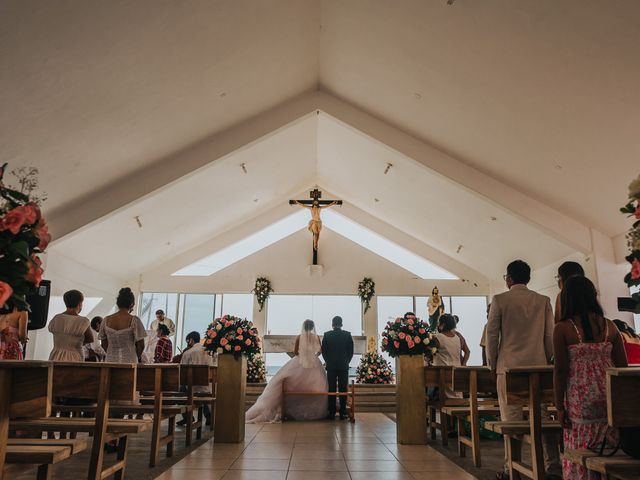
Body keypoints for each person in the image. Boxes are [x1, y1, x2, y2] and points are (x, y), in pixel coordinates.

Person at [487, 260, 561, 480]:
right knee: (544, 417)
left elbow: (492, 336)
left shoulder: (500, 300)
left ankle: (512, 468)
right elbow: (550, 335)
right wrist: (548, 361)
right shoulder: (543, 300)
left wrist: (493, 364)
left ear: (508, 278)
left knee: (511, 419)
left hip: (509, 367)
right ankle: (554, 466)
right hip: (538, 366)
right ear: (528, 278)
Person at [553, 277, 628, 480]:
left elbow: (560, 370)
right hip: (609, 396)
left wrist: (559, 406)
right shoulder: (610, 327)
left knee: (580, 444)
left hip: (581, 400)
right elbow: (622, 366)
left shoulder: (563, 329)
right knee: (610, 441)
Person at [246, 319, 328, 423]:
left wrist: (302, 356)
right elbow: (320, 350)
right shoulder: (316, 337)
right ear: (312, 327)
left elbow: (295, 351)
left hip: (300, 361)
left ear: (304, 326)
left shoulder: (300, 337)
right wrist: (314, 356)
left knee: (286, 380)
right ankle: (312, 411)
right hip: (314, 362)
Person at [100, 288, 147, 363]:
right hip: (129, 360)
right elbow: (141, 345)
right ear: (132, 304)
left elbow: (104, 344)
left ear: (118, 303)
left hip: (110, 360)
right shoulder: (135, 320)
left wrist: (111, 353)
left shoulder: (106, 320)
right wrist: (136, 356)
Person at [178, 331, 214, 427]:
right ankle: (208, 415)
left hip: (191, 385)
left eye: (188, 340)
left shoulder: (188, 352)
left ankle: (187, 417)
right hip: (207, 384)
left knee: (180, 390)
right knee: (203, 393)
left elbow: (182, 371)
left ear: (191, 340)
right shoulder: (208, 351)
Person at [322, 316, 354, 420]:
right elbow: (350, 351)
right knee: (343, 389)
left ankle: (331, 412)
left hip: (331, 366)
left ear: (332, 324)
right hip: (343, 365)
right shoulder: (347, 335)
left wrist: (328, 361)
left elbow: (324, 352)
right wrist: (346, 361)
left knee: (331, 388)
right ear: (341, 324)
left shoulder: (327, 335)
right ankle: (342, 412)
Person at [48, 290, 93, 362]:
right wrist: (78, 343)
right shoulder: (83, 321)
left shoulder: (57, 318)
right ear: (79, 303)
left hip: (56, 354)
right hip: (75, 355)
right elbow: (90, 338)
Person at [433, 314, 469, 399]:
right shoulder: (458, 337)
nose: (438, 325)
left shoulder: (438, 337)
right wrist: (463, 365)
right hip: (456, 373)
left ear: (443, 324)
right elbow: (467, 352)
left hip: (443, 373)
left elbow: (430, 351)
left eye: (439, 323)